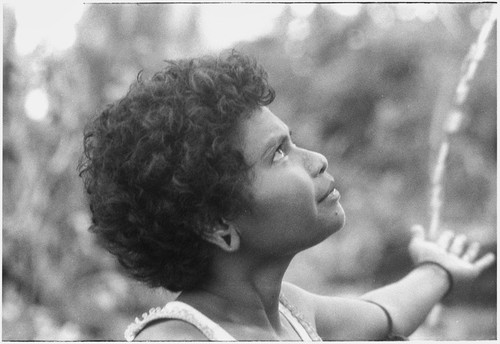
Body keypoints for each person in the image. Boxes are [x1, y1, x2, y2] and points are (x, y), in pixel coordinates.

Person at [79, 50, 495, 341]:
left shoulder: (290, 314)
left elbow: (383, 313)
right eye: (278, 154)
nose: (316, 159)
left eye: (292, 143)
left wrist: (437, 271)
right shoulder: (176, 340)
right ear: (218, 224)